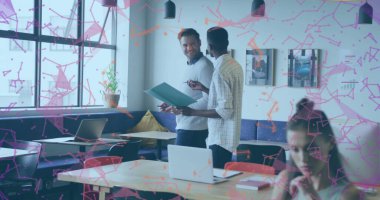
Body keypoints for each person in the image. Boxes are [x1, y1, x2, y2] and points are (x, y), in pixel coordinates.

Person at [178, 27, 244, 169]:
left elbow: (225, 110)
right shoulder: (234, 65)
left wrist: (192, 112)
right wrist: (204, 88)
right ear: (227, 42)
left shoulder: (219, 69)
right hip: (229, 137)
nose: (189, 48)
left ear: (209, 46)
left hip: (220, 138)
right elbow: (226, 98)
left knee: (213, 184)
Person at [271, 98, 362, 200]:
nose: (303, 159)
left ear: (331, 143)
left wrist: (311, 196)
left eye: (312, 149)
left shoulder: (349, 195)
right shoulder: (285, 180)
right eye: (295, 149)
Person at [159, 28, 213, 148]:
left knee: (180, 166)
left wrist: (182, 109)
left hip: (194, 129)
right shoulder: (189, 66)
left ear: (199, 43)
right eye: (185, 45)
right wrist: (170, 104)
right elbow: (189, 96)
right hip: (185, 126)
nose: (189, 48)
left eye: (192, 44)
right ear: (181, 46)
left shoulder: (204, 66)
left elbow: (210, 99)